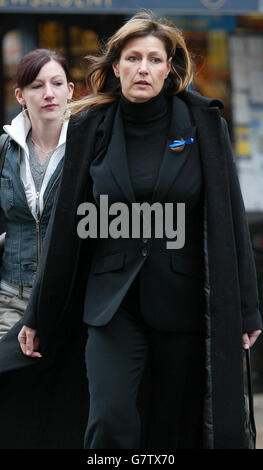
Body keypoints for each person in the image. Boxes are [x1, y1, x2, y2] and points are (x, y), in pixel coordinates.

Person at [0, 11, 261, 450]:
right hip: (110, 305)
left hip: (182, 303)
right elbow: (67, 228)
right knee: (110, 419)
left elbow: (229, 219)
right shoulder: (89, 128)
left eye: (155, 60)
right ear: (115, 66)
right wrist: (39, 312)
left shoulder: (202, 125)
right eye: (133, 58)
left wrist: (247, 308)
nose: (144, 68)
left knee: (174, 425)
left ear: (170, 69)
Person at [0, 48, 74, 339]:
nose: (49, 93)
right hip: (11, 298)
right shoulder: (5, 149)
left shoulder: (88, 148)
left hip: (69, 298)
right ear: (20, 95)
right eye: (37, 86)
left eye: (57, 84)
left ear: (70, 90)